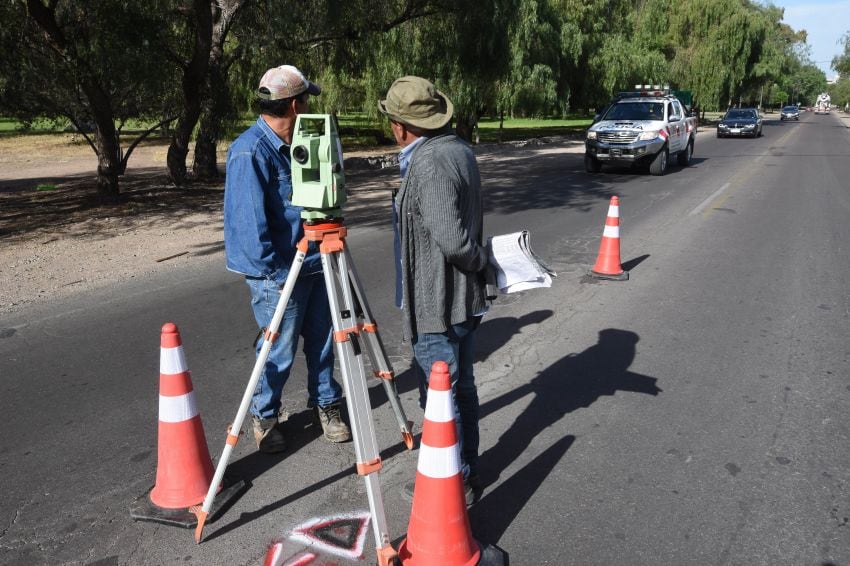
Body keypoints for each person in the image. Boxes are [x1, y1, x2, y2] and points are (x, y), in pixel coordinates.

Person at [223, 64, 351, 453]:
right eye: (307, 99)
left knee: (325, 340)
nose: (310, 105)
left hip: (315, 258)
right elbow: (249, 227)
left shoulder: (301, 142)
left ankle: (326, 403)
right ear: (295, 104)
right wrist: (278, 276)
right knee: (277, 348)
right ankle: (265, 416)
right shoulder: (249, 151)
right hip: (279, 272)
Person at [378, 76, 490, 504]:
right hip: (459, 301)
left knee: (442, 399)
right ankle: (467, 471)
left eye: (391, 119)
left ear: (402, 126)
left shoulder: (428, 163)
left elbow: (454, 240)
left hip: (439, 304)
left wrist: (480, 261)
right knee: (462, 390)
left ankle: (453, 484)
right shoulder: (457, 148)